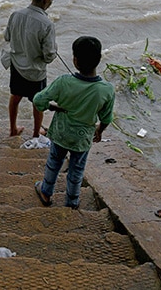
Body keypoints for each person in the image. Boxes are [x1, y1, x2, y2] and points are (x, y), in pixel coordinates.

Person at [33, 36, 115, 209]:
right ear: (99, 60)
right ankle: (72, 202)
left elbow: (38, 100)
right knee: (77, 170)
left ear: (75, 60)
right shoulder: (106, 90)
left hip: (61, 134)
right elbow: (106, 118)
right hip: (83, 139)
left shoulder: (63, 81)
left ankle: (46, 192)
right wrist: (99, 130)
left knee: (53, 163)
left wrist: (53, 108)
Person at [4, 0, 58, 138]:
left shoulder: (15, 14)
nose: (51, 4)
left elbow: (7, 37)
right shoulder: (47, 24)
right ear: (46, 0)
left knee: (15, 96)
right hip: (35, 71)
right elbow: (48, 56)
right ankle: (36, 134)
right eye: (52, 0)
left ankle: (13, 129)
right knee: (38, 101)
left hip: (16, 65)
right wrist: (54, 51)